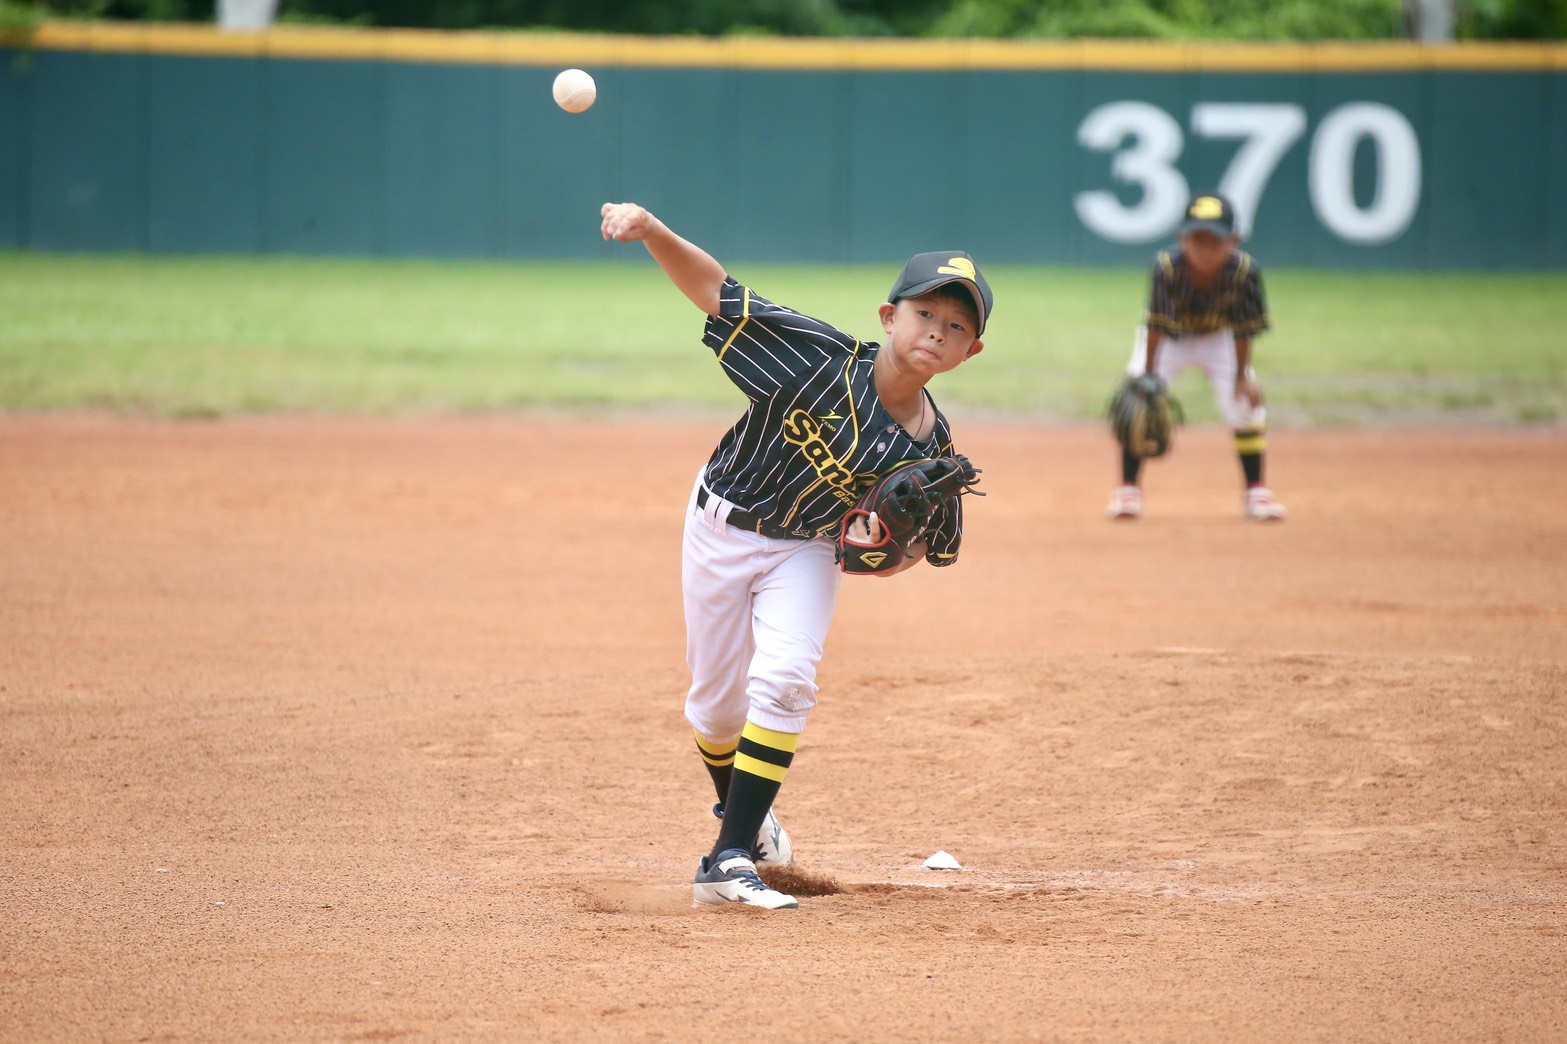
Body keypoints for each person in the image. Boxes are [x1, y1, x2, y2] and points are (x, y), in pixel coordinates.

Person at [599, 201, 992, 909]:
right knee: (715, 713)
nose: (937, 330)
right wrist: (651, 230)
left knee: (784, 680)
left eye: (957, 325)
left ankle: (726, 861)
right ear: (887, 317)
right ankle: (748, 821)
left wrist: (879, 549)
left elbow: (915, 552)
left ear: (972, 352)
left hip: (805, 551)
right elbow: (715, 291)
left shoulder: (933, 454)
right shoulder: (818, 359)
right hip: (719, 524)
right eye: (925, 313)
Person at [1106, 193, 1286, 523]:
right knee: (1139, 406)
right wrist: (1148, 377)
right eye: (1196, 239)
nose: (1204, 249)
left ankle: (1256, 489)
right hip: (1169, 341)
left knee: (1245, 404)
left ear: (1234, 242)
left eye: (1214, 241)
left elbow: (1244, 329)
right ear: (1181, 239)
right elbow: (1157, 324)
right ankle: (1128, 488)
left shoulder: (1245, 272)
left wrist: (1242, 376)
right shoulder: (1167, 268)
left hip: (1220, 340)